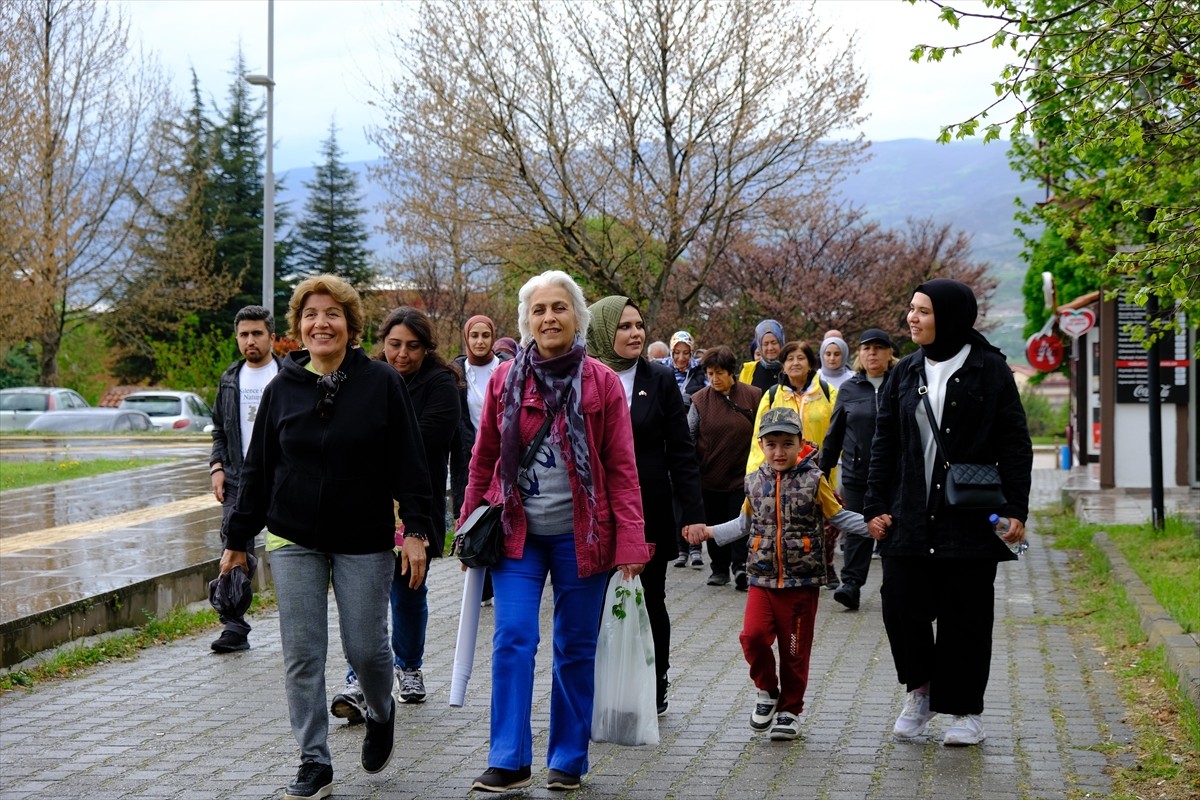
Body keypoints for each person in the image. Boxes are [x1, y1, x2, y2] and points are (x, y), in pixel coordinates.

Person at [220, 275, 434, 800]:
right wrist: (237, 540)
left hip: (363, 536)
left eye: (332, 313)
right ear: (298, 327)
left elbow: (409, 463)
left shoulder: (382, 383)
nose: (321, 323)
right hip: (292, 537)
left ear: (350, 324)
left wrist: (416, 530)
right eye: (311, 314)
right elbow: (258, 470)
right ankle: (314, 760)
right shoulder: (282, 388)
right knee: (302, 653)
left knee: (367, 649)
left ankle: (380, 710)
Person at [461, 270, 651, 793]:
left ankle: (568, 758)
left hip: (583, 538)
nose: (549, 318)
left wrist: (632, 541)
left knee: (575, 646)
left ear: (577, 316)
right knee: (513, 637)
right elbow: (483, 459)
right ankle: (508, 759)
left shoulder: (602, 382)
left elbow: (622, 469)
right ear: (527, 321)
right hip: (516, 534)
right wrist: (467, 523)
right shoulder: (504, 380)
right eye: (539, 310)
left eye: (559, 308)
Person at [864, 278, 1032, 748]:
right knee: (900, 604)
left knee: (966, 615)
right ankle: (920, 691)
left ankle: (964, 711)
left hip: (969, 516)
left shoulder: (989, 369)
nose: (912, 318)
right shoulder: (905, 371)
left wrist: (1015, 508)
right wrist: (875, 504)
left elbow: (1014, 443)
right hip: (908, 514)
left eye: (923, 310)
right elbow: (884, 443)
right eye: (911, 308)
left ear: (951, 317)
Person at [684, 406, 869, 740]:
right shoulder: (754, 482)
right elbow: (743, 524)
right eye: (772, 444)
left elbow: (839, 517)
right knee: (752, 637)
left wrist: (874, 527)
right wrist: (709, 532)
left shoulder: (815, 480)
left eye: (787, 443)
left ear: (800, 443)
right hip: (762, 580)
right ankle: (767, 690)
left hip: (802, 584)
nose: (779, 451)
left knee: (794, 651)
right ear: (761, 445)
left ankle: (790, 710)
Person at [331, 306, 462, 722]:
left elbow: (424, 441)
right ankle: (358, 679)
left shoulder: (442, 384)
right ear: (382, 342)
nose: (402, 354)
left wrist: (369, 441)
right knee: (363, 596)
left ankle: (409, 667)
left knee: (408, 591)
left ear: (426, 348)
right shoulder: (364, 376)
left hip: (415, 507)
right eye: (394, 344)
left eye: (412, 346)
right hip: (366, 505)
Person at [585, 296, 704, 716]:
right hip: (594, 512)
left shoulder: (659, 378)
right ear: (603, 331)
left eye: (638, 325)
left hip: (648, 507)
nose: (636, 333)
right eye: (624, 326)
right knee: (594, 600)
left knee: (650, 597)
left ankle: (656, 680)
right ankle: (600, 683)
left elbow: (681, 450)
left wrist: (693, 514)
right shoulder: (584, 376)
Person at [208, 304, 282, 653]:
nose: (250, 340)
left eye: (257, 333)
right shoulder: (229, 379)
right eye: (244, 334)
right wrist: (217, 467)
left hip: (284, 478)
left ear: (271, 337)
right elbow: (219, 430)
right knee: (233, 547)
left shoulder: (289, 374)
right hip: (239, 479)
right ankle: (234, 626)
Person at [818, 329, 898, 611]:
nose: (872, 353)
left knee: (895, 529)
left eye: (878, 348)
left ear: (889, 354)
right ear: (860, 355)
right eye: (867, 348)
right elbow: (835, 433)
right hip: (856, 473)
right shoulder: (849, 389)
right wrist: (821, 472)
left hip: (895, 475)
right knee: (858, 529)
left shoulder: (900, 384)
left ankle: (897, 588)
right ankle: (851, 585)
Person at [687, 346, 762, 588]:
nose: (714, 379)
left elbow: (761, 433)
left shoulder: (753, 396)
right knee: (714, 522)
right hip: (710, 476)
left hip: (743, 475)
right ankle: (719, 569)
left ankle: (741, 567)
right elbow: (689, 436)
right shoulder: (700, 400)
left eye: (719, 373)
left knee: (741, 522)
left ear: (731, 372)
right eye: (710, 374)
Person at [451, 314, 502, 607]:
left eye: (485, 335)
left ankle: (498, 580)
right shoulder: (456, 374)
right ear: (466, 338)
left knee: (499, 516)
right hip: (468, 456)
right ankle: (479, 585)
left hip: (504, 457)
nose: (480, 341)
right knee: (472, 515)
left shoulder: (507, 368)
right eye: (474, 336)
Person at [746, 341, 837, 476]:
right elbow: (758, 439)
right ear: (783, 366)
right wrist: (754, 475)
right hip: (781, 471)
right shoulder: (772, 396)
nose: (795, 363)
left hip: (821, 470)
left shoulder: (828, 392)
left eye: (800, 358)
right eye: (790, 359)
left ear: (810, 364)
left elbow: (838, 433)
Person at [659, 330, 708, 568]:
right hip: (667, 436)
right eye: (677, 352)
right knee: (673, 495)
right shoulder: (662, 371)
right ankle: (680, 546)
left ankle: (696, 546)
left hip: (693, 436)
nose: (681, 358)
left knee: (690, 488)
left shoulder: (700, 372)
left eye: (686, 353)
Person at [738, 319, 785, 392]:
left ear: (781, 343)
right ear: (760, 346)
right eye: (765, 344)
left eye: (774, 343)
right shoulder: (748, 371)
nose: (770, 348)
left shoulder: (790, 368)